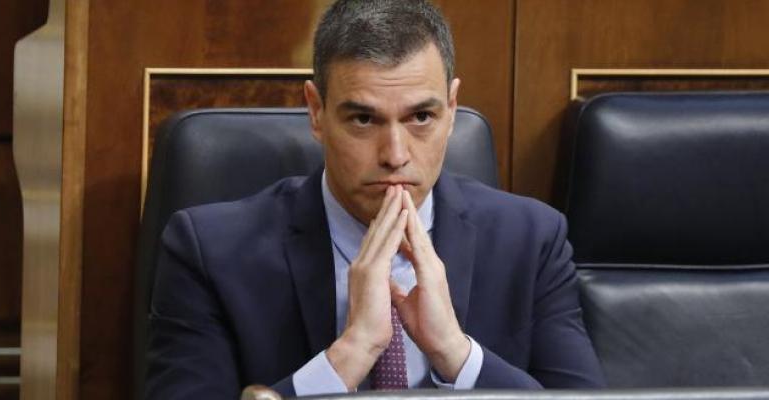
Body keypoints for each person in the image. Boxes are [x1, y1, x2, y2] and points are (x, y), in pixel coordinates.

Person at [146, 0, 606, 398]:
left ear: (451, 110)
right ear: (316, 112)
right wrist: (350, 354)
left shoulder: (531, 240)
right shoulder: (209, 252)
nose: (395, 155)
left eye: (421, 116)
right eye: (364, 120)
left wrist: (456, 354)